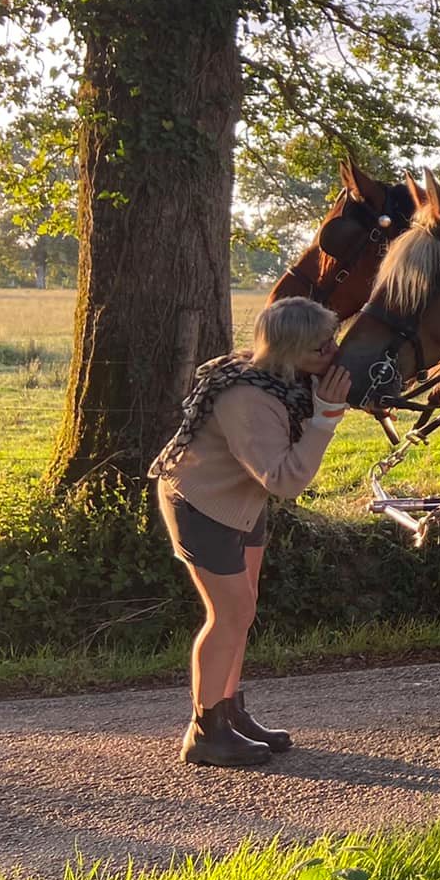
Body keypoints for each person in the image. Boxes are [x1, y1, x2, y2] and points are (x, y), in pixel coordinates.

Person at [150, 297, 352, 767]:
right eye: (322, 348)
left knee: (245, 608)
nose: (334, 352)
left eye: (332, 340)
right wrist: (326, 417)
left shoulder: (279, 379)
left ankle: (229, 711)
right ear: (289, 351)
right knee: (229, 612)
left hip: (241, 501)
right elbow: (286, 481)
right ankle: (204, 732)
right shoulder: (248, 399)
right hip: (202, 504)